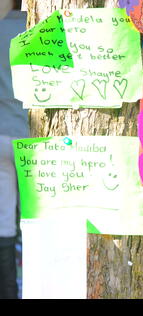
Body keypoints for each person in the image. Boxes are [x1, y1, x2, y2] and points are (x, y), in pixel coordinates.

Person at [0, 0, 28, 298]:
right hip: (33, 134)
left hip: (0, 133)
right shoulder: (34, 25)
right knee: (37, 218)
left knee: (4, 224)